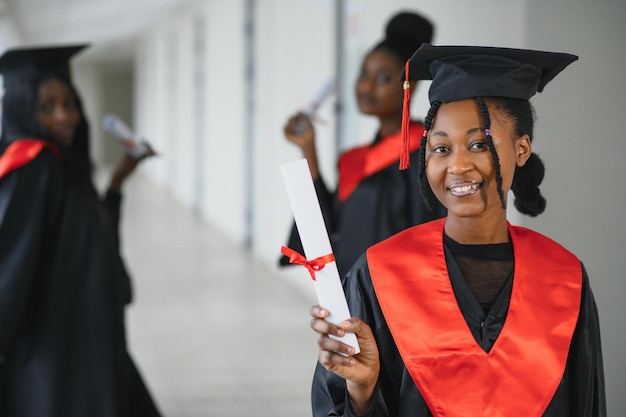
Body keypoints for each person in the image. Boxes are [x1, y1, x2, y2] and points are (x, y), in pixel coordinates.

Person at [309, 45, 606, 416]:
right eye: (441, 148)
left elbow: (586, 404)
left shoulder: (565, 278)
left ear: (522, 148)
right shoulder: (379, 275)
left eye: (478, 144)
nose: (458, 165)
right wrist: (362, 390)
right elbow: (335, 405)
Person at [0, 44, 161, 417]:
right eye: (47, 107)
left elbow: (87, 239)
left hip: (86, 338)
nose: (64, 117)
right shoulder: (32, 167)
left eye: (70, 103)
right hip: (57, 353)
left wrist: (117, 181)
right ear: (22, 110)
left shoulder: (59, 165)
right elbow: (9, 265)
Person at [280, 11, 446, 277]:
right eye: (362, 75)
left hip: (394, 303)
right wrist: (308, 147)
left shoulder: (425, 156)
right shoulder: (353, 159)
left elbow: (429, 242)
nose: (366, 88)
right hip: (350, 294)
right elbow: (329, 228)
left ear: (409, 86)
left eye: (381, 79)